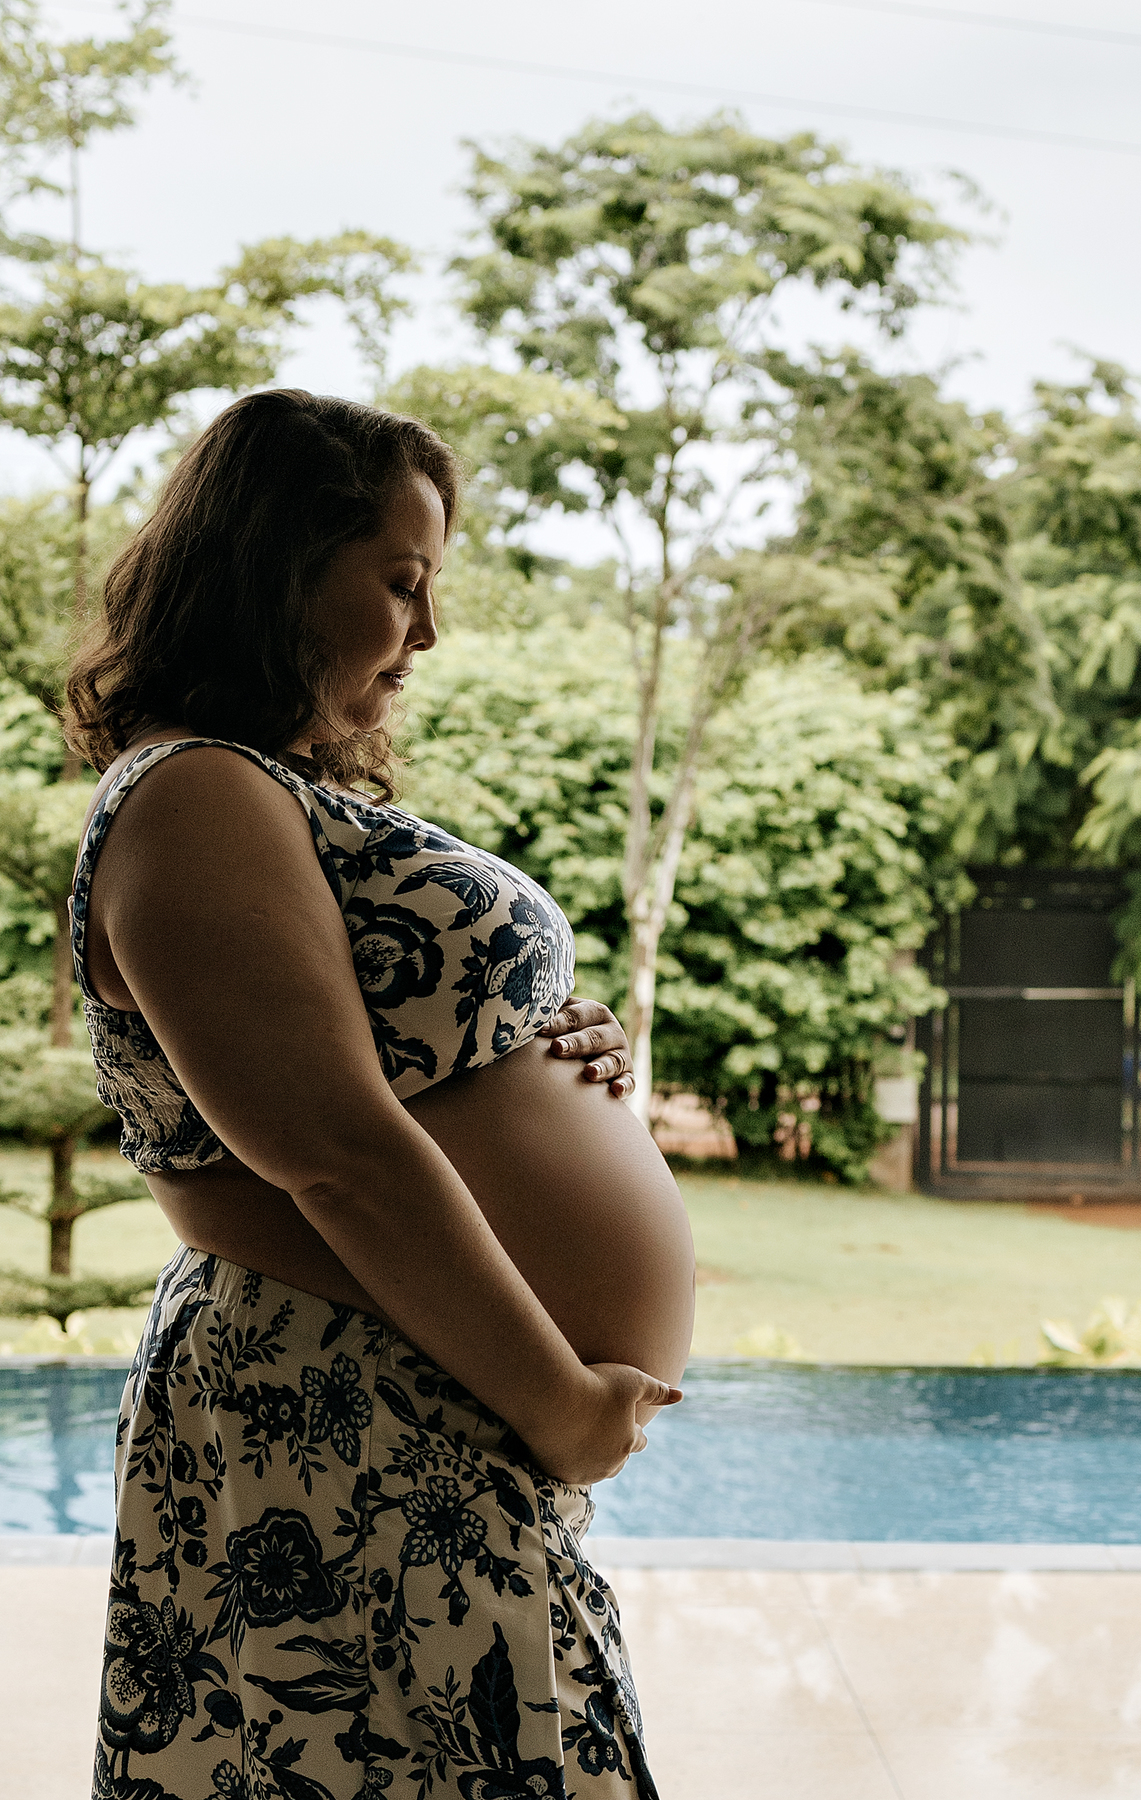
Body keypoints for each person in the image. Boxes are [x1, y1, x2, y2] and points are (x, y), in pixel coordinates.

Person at [67, 390, 696, 1800]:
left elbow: (380, 1062)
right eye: (402, 582)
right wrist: (563, 1407)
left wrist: (544, 1039)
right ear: (276, 569)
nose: (428, 630)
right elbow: (334, 1150)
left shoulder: (257, 790)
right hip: (346, 1399)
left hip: (405, 1394)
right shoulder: (195, 792)